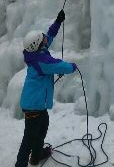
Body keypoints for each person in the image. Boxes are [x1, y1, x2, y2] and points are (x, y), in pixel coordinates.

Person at [15, 10, 77, 167]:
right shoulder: (41, 60)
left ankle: (36, 156)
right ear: (38, 45)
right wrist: (72, 66)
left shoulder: (35, 52)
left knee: (42, 127)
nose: (45, 39)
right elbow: (59, 65)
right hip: (33, 106)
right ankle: (20, 164)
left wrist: (58, 22)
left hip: (36, 104)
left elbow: (49, 37)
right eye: (42, 39)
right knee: (29, 137)